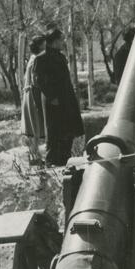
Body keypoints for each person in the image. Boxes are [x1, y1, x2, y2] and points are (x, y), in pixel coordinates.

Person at [33, 27, 85, 166]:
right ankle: (52, 161)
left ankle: (65, 159)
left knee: (68, 131)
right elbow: (39, 81)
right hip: (53, 102)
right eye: (61, 40)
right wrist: (52, 97)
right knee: (55, 131)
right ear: (54, 41)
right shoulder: (41, 59)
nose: (63, 42)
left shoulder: (60, 56)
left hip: (66, 98)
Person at [21, 34, 46, 164]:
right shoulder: (36, 59)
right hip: (33, 94)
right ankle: (35, 157)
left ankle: (35, 156)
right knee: (36, 124)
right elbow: (35, 81)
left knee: (34, 126)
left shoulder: (33, 59)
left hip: (29, 94)